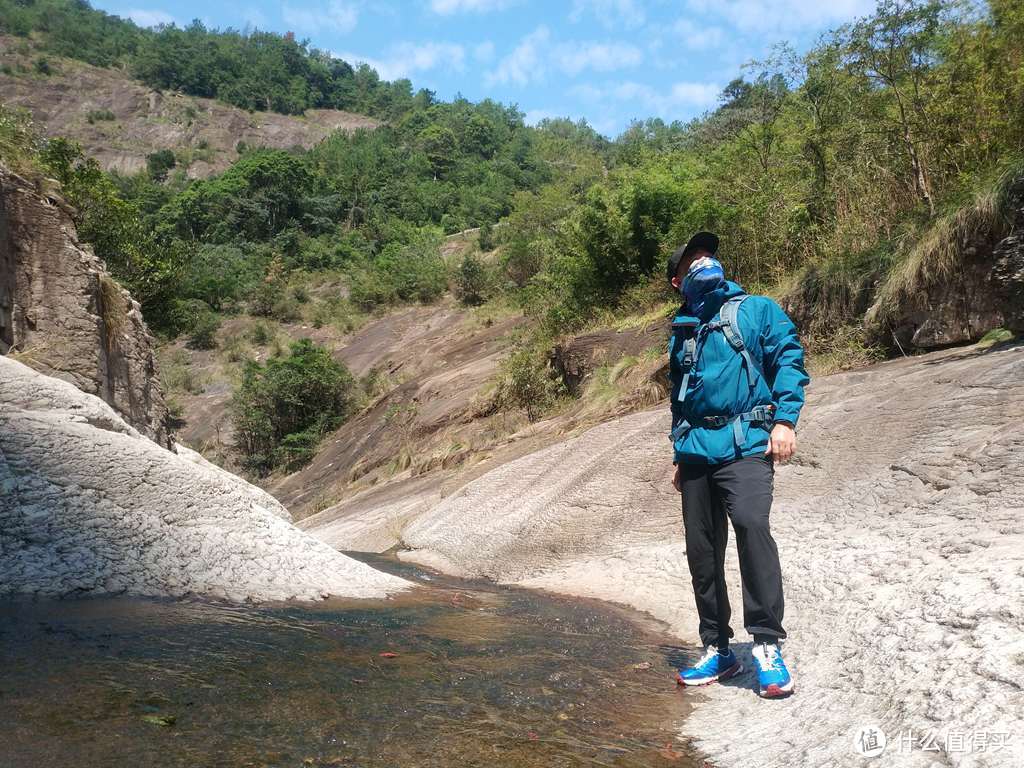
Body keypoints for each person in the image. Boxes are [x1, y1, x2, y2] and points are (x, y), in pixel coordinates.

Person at [666, 231, 809, 699]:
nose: (703, 262)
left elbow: (788, 359)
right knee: (701, 552)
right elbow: (679, 399)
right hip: (695, 453)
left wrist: (785, 421)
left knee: (751, 527)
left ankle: (766, 644)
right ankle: (718, 647)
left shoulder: (757, 309)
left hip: (747, 441)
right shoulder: (682, 330)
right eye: (692, 261)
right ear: (676, 281)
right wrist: (677, 455)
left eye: (707, 255)